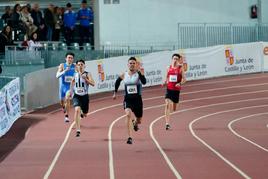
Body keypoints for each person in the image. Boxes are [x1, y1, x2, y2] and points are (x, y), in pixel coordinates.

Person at [113, 57, 146, 144]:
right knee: (128, 114)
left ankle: (135, 123)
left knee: (139, 120)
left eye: (133, 63)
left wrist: (140, 73)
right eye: (130, 63)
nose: (132, 65)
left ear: (136, 64)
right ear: (128, 64)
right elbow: (117, 82)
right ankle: (129, 137)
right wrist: (115, 92)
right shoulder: (124, 74)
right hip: (128, 99)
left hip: (138, 100)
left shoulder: (139, 74)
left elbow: (144, 82)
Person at [69, 59, 95, 137]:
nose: (80, 66)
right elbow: (72, 82)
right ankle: (78, 130)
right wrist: (71, 92)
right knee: (77, 110)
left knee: (85, 113)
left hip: (85, 96)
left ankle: (83, 114)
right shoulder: (75, 74)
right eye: (78, 64)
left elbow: (93, 83)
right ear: (76, 66)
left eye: (81, 64)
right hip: (76, 95)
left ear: (84, 66)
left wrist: (85, 79)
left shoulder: (87, 74)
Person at [163, 53, 186, 130]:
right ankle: (167, 124)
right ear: (172, 59)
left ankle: (173, 103)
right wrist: (164, 81)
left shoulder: (180, 68)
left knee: (174, 108)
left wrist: (179, 83)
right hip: (169, 89)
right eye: (174, 58)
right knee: (167, 105)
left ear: (179, 60)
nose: (175, 60)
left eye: (176, 59)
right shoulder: (168, 67)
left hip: (176, 90)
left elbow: (184, 79)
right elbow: (166, 77)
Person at [56, 52, 76, 122]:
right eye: (68, 58)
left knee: (67, 98)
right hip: (62, 87)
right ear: (66, 58)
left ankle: (66, 116)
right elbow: (57, 76)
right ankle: (64, 107)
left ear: (73, 59)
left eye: (71, 58)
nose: (70, 59)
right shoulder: (62, 65)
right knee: (62, 102)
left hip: (69, 87)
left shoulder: (75, 66)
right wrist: (64, 71)